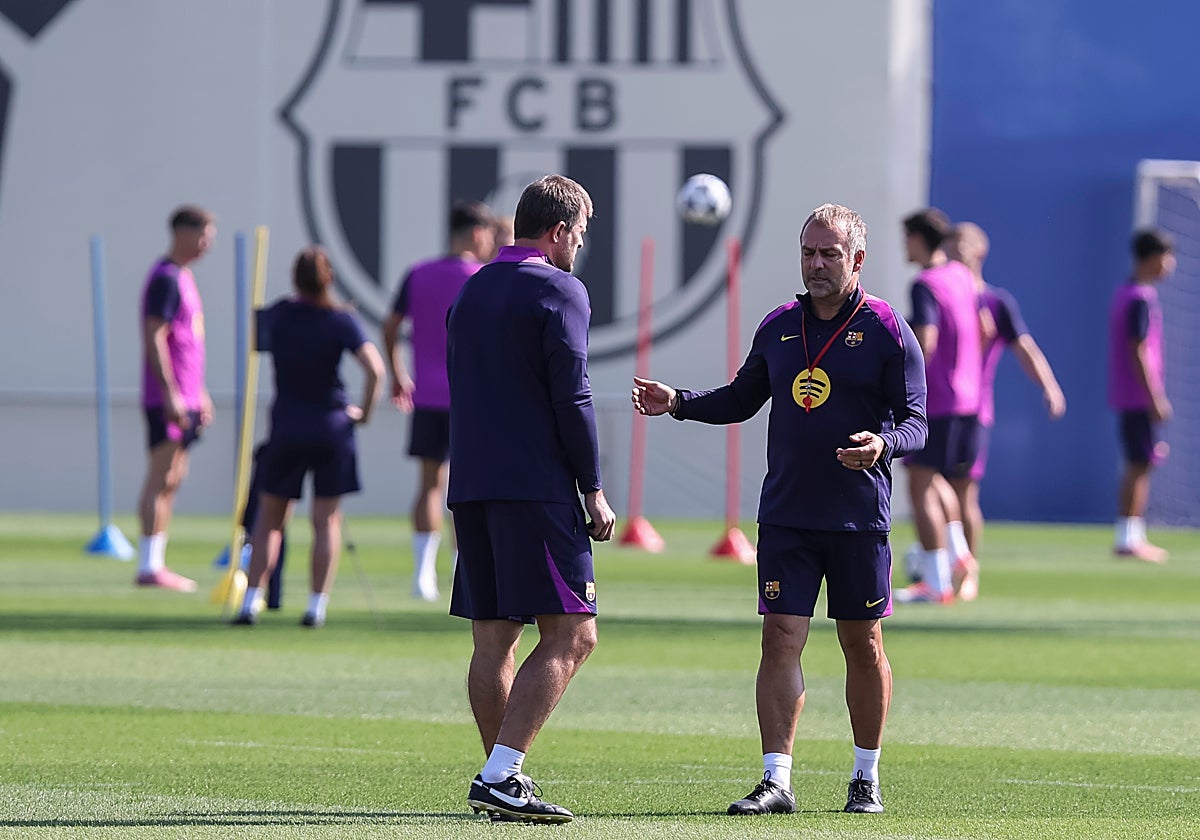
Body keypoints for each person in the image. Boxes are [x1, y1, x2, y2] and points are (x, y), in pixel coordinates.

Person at [633, 204, 927, 816]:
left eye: (829, 255)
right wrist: (679, 402)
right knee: (779, 639)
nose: (816, 265)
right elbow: (743, 398)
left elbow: (918, 422)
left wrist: (882, 445)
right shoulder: (778, 326)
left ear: (857, 260)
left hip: (857, 520)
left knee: (862, 644)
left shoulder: (887, 330)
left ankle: (865, 776)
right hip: (788, 514)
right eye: (808, 253)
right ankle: (777, 780)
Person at [447, 174, 616, 824]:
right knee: (575, 633)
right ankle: (500, 773)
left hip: (474, 484)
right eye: (581, 232)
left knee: (493, 640)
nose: (581, 245)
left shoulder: (473, 290)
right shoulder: (560, 288)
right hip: (534, 487)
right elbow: (571, 395)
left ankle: (501, 781)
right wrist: (592, 487)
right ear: (559, 232)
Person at [232, 246, 384, 627]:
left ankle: (251, 601)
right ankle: (316, 606)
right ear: (329, 277)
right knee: (326, 521)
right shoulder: (341, 320)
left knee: (270, 519)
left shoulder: (279, 315)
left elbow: (261, 341)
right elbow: (376, 371)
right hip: (331, 426)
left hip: (287, 425)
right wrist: (363, 413)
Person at [383, 201, 496, 602]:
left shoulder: (418, 273)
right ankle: (462, 572)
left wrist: (398, 373)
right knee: (471, 489)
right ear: (478, 235)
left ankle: (421, 576)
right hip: (473, 401)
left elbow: (391, 325)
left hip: (428, 396)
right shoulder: (482, 277)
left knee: (430, 485)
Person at [945, 222, 1065, 563]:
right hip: (936, 410)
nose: (955, 249)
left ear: (980, 250)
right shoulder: (938, 294)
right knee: (931, 487)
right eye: (950, 243)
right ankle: (937, 565)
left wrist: (1049, 386)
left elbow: (1024, 347)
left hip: (973, 409)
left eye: (963, 243)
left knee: (964, 490)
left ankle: (968, 570)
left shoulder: (995, 301)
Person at [896, 208, 982, 605]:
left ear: (918, 239)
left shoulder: (925, 283)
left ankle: (935, 579)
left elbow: (926, 341)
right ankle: (960, 551)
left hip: (938, 400)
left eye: (907, 238)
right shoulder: (962, 276)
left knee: (920, 484)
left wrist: (899, 381)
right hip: (969, 399)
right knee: (938, 481)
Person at [135, 206, 217, 592]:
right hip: (168, 398)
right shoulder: (166, 279)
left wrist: (199, 392)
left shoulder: (184, 278)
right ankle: (149, 564)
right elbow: (155, 335)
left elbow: (187, 344)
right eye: (203, 235)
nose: (207, 244)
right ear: (183, 233)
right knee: (161, 474)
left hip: (186, 397)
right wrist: (170, 392)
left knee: (174, 478)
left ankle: (157, 560)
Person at [1108, 229, 1176, 563]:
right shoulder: (1139, 298)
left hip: (1129, 395)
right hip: (1138, 396)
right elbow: (1138, 349)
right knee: (1140, 463)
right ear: (1153, 258)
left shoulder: (1127, 293)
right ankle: (1128, 537)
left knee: (1140, 462)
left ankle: (1131, 534)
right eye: (1167, 256)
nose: (1170, 264)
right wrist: (1155, 397)